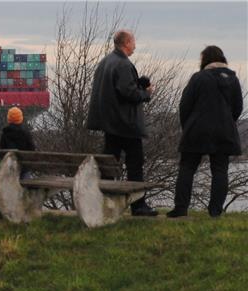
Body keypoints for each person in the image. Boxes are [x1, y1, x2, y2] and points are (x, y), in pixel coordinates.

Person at [86, 30, 157, 217]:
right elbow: (129, 93)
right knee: (135, 165)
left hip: (110, 125)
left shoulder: (106, 62)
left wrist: (137, 83)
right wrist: (146, 93)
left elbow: (116, 90)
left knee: (109, 165)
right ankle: (139, 205)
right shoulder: (123, 64)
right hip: (126, 125)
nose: (135, 45)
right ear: (126, 42)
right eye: (133, 41)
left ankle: (106, 201)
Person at [167, 46, 243, 218]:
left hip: (197, 129)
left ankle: (180, 208)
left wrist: (187, 126)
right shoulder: (233, 79)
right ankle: (215, 211)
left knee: (187, 167)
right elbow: (237, 107)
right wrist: (227, 122)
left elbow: (185, 105)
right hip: (224, 130)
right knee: (220, 170)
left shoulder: (198, 78)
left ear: (205, 60)